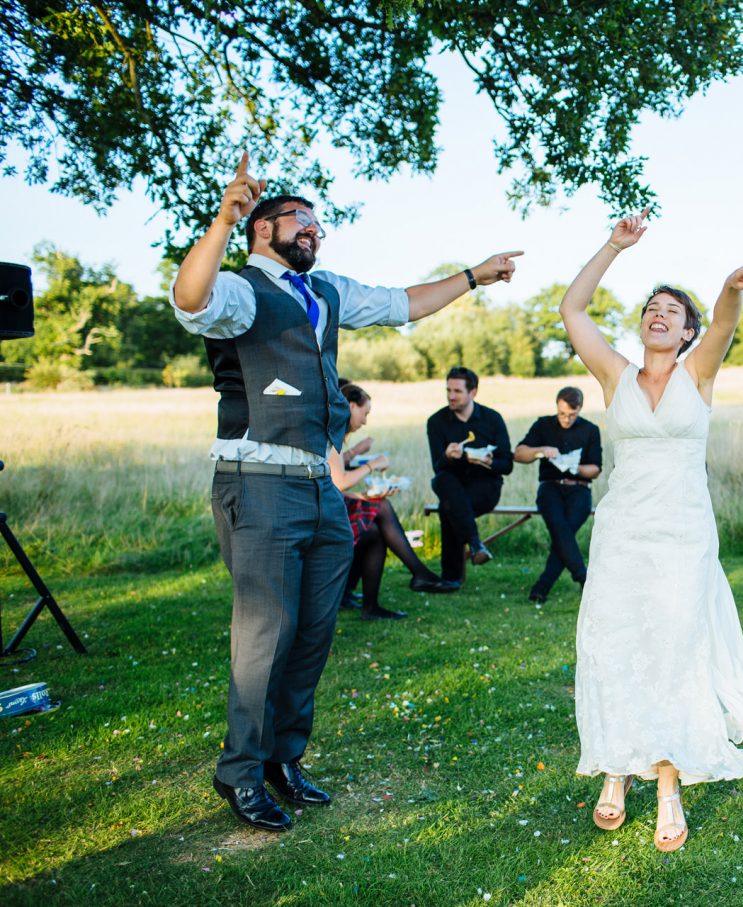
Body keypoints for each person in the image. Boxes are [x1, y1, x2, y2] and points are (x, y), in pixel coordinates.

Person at [171, 151, 521, 832]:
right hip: (260, 480)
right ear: (262, 229)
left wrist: (477, 275)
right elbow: (190, 296)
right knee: (264, 634)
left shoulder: (325, 290)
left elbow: (405, 304)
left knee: (313, 631)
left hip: (319, 486)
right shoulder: (242, 290)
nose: (314, 232)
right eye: (301, 221)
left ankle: (284, 758)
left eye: (318, 226)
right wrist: (222, 218)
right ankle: (240, 771)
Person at [560, 211, 743, 854]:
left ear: (688, 330)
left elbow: (725, 322)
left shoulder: (699, 375)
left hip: (682, 536)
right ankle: (614, 771)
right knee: (613, 645)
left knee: (675, 652)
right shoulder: (614, 375)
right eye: (652, 307)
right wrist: (614, 246)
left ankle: (668, 786)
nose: (660, 314)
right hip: (622, 532)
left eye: (674, 309)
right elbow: (573, 309)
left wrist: (729, 286)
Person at [328, 380, 459, 621]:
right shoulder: (332, 431)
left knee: (376, 528)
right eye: (365, 413)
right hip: (324, 515)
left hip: (329, 505)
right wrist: (372, 464)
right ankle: (419, 575)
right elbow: (339, 482)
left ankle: (371, 605)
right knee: (380, 509)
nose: (365, 421)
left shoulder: (334, 432)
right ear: (350, 406)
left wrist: (362, 495)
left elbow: (332, 484)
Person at [513, 386, 603, 603]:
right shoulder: (543, 425)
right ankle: (583, 578)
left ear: (579, 409)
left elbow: (595, 469)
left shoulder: (590, 430)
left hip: (579, 489)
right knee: (560, 526)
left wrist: (575, 467)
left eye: (572, 415)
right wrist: (541, 450)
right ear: (557, 407)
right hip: (550, 487)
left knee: (564, 533)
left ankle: (543, 586)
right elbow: (518, 454)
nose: (566, 419)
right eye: (562, 413)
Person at [426, 366, 513, 585]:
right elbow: (438, 466)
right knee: (443, 482)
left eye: (457, 391)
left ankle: (451, 577)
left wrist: (489, 461)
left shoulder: (492, 419)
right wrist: (447, 456)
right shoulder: (436, 422)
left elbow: (507, 465)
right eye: (448, 390)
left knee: (448, 506)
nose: (451, 396)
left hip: (485, 488)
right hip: (452, 484)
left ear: (473, 392)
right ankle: (475, 545)